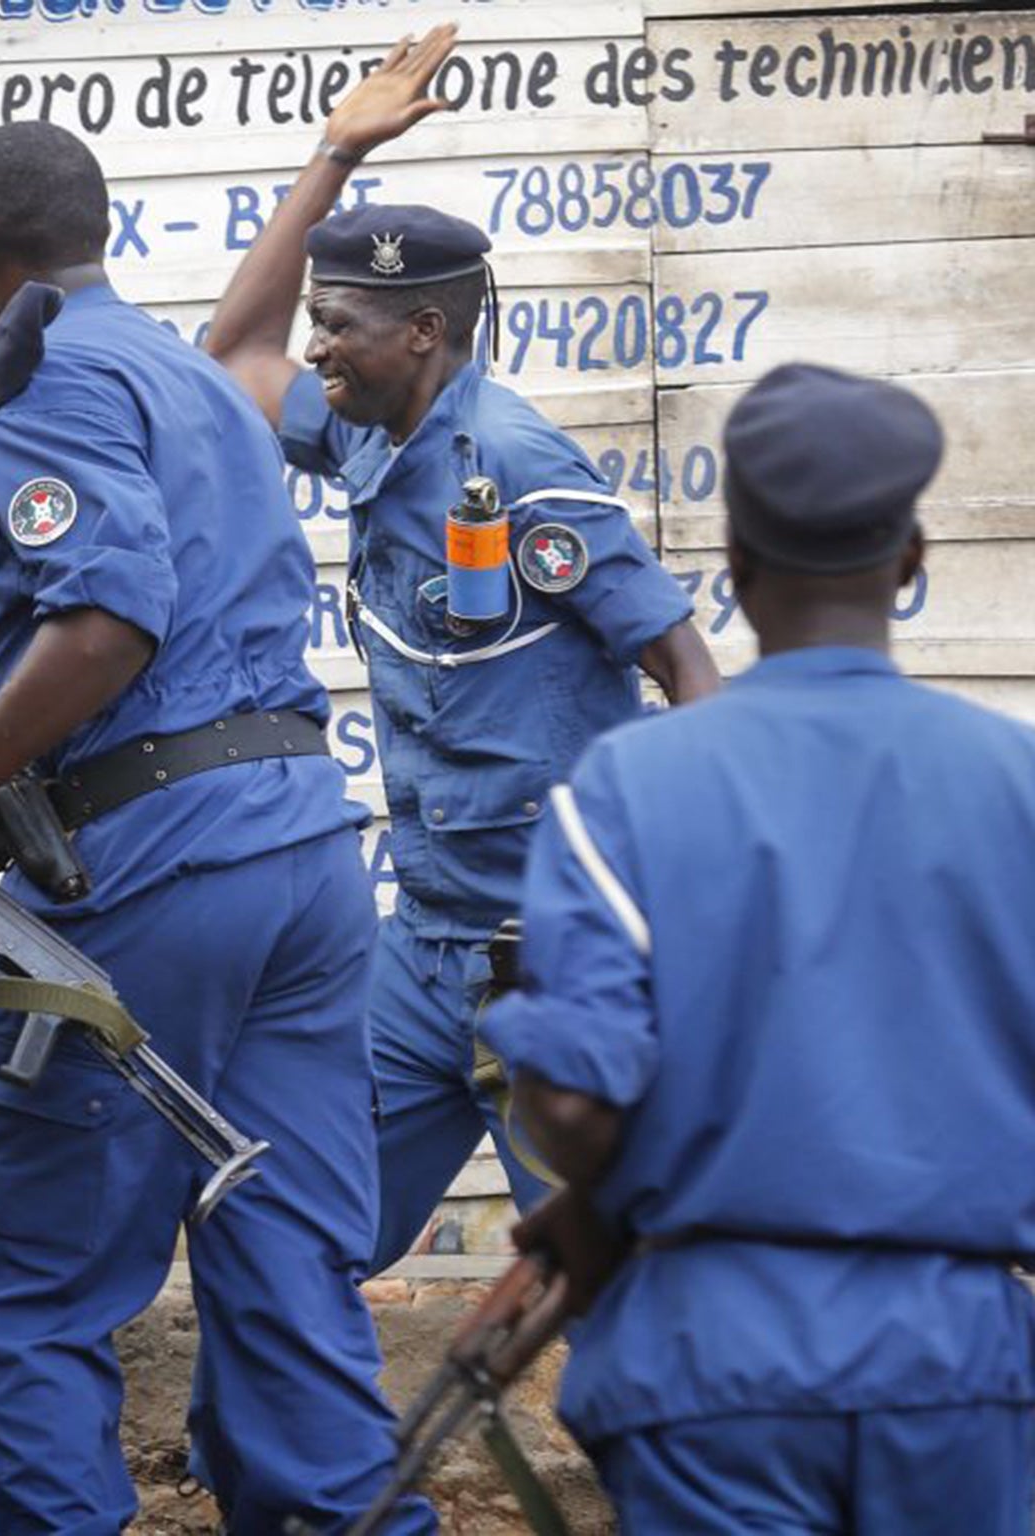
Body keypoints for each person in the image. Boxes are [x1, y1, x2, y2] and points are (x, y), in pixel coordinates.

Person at [0, 120, 431, 1535]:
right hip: (298, 874)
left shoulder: (39, 384)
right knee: (284, 1263)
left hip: (156, 893)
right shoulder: (189, 379)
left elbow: (111, 625)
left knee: (24, 1291)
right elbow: (166, 638)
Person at [481, 363, 1035, 1529]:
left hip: (708, 1351)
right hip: (958, 1357)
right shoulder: (1015, 788)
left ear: (729, 571)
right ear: (909, 563)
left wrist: (602, 1203)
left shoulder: (627, 786)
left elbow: (573, 1109)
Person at [204, 27, 720, 1273]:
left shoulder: (521, 467)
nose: (316, 348)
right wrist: (331, 154)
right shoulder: (364, 431)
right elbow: (232, 359)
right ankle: (265, 1463)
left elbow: (686, 673)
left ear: (422, 330)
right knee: (305, 1229)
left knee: (610, 1280)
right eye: (319, 323)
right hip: (423, 951)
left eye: (339, 326)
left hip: (556, 964)